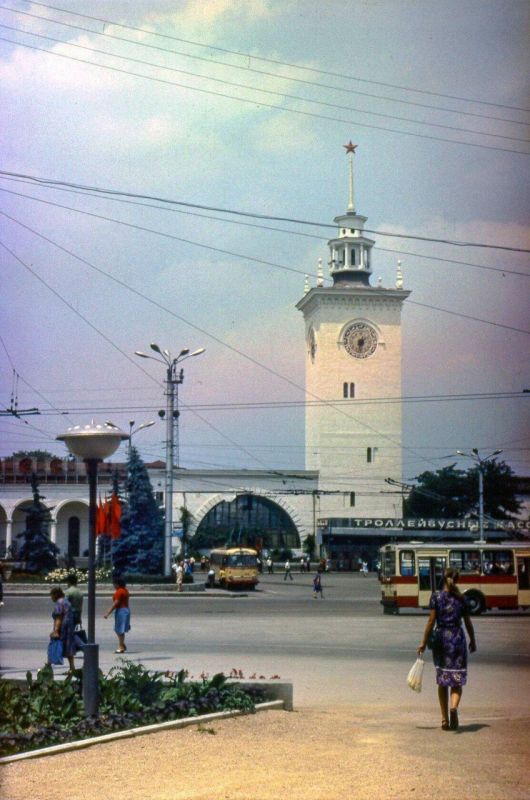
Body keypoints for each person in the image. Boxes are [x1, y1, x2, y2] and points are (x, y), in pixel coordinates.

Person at [417, 567, 477, 731]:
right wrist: (473, 640)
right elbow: (468, 622)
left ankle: (444, 719)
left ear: (443, 579)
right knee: (456, 680)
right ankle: (454, 708)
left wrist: (423, 641)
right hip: (457, 639)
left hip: (442, 640)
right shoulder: (461, 598)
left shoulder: (436, 597)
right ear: (456, 580)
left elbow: (431, 621)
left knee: (443, 680)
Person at [48, 586, 76, 671]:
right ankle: (72, 668)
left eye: (51, 595)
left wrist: (56, 630)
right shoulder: (66, 601)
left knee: (54, 645)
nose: (51, 597)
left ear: (56, 595)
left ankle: (48, 666)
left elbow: (59, 618)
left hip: (62, 628)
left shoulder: (59, 603)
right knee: (68, 647)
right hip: (69, 628)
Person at [104, 577, 130, 654]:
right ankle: (122, 644)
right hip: (125, 610)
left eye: (114, 584)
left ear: (117, 584)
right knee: (120, 629)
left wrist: (108, 613)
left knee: (119, 629)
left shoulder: (119, 592)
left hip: (121, 611)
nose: (114, 586)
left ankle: (121, 646)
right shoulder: (125, 590)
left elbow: (116, 603)